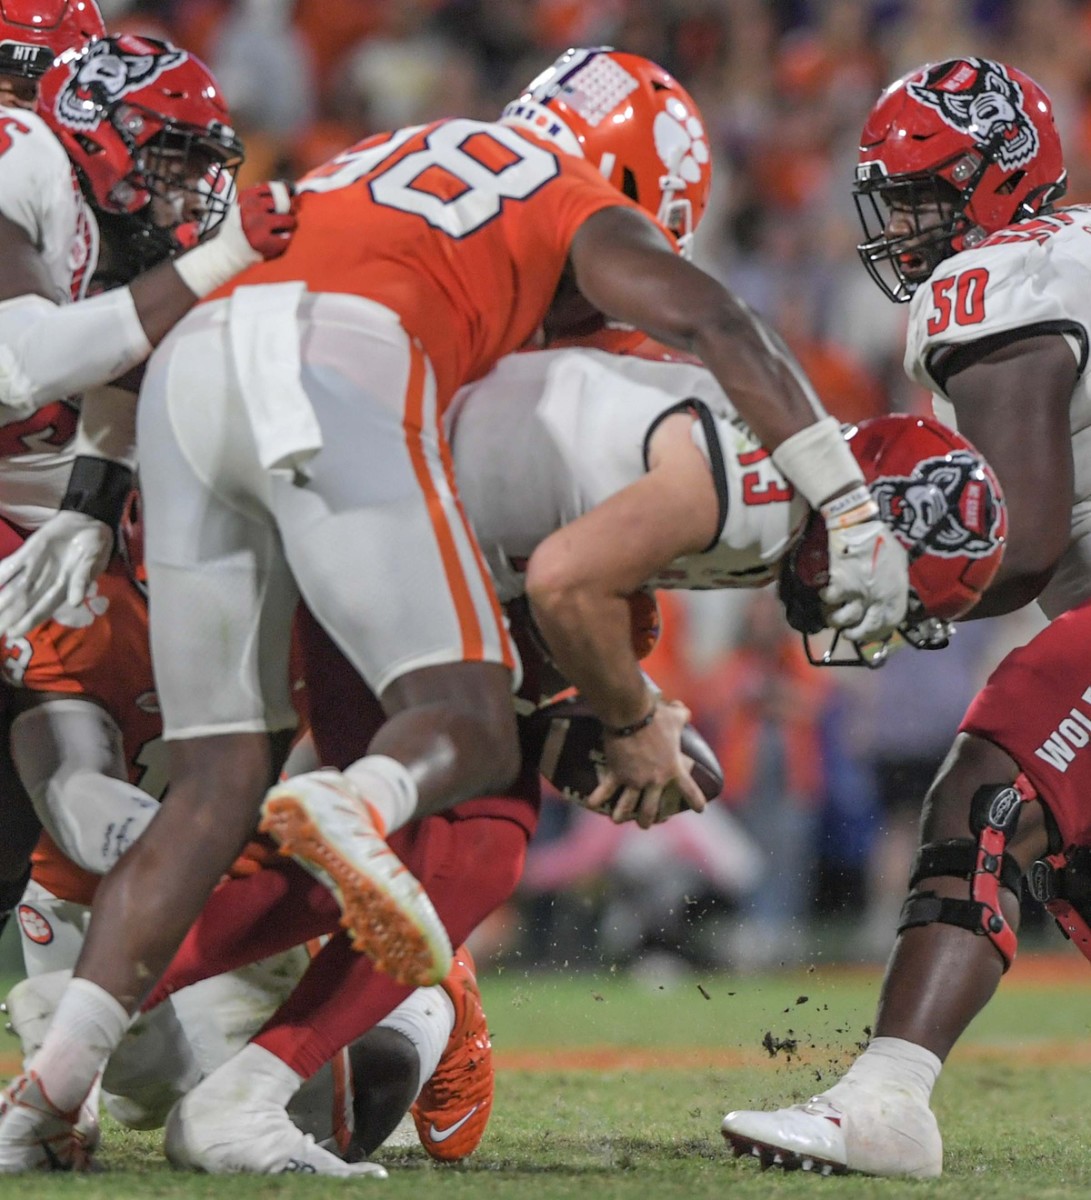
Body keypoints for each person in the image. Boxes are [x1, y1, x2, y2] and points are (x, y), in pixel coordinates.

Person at [0, 45, 916, 1174]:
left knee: (220, 784)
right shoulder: (577, 216)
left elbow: (194, 319)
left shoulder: (383, 161)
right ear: (629, 188)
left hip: (196, 389)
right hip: (343, 398)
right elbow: (707, 336)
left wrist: (93, 494)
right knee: (474, 768)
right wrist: (841, 508)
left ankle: (52, 1075)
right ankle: (335, 935)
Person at [721, 55, 1091, 1179]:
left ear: (994, 181)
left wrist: (894, 591)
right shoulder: (1061, 251)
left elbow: (1020, 545)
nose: (907, 224)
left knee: (983, 794)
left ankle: (885, 1100)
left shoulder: (1000, 279)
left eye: (928, 195)